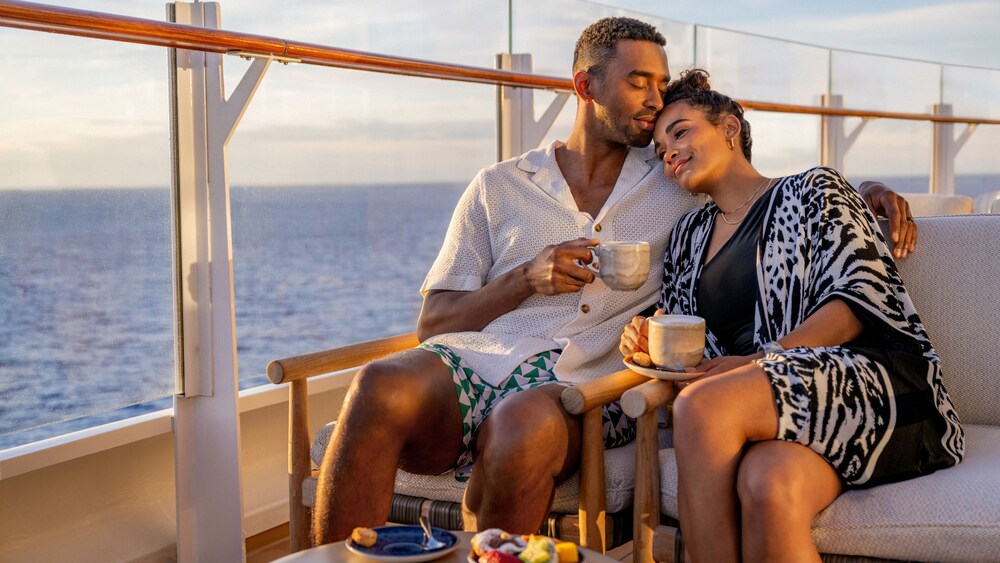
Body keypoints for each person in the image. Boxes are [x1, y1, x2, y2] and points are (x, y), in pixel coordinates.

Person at [313, 17, 914, 545]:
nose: (657, 99)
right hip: (480, 358)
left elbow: (758, 193)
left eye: (662, 83)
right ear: (585, 86)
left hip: (584, 380)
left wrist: (868, 195)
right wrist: (526, 278)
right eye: (639, 82)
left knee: (520, 425)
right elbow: (434, 323)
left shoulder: (673, 179)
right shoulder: (498, 186)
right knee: (377, 385)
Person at [620, 69, 964, 562]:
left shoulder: (814, 189)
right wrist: (647, 337)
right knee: (767, 483)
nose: (669, 152)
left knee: (700, 406)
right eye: (660, 150)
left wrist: (761, 361)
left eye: (680, 131)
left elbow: (857, 300)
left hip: (866, 383)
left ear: (730, 128)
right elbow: (688, 342)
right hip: (766, 408)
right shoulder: (687, 237)